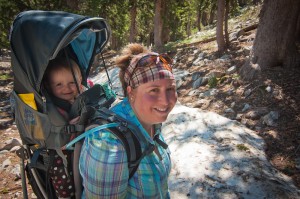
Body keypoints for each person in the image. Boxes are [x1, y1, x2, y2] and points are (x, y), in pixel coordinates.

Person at [79, 43, 178, 198]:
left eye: (170, 89)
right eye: (154, 90)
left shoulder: (150, 120)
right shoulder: (109, 141)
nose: (165, 101)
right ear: (131, 92)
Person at [43, 56, 85, 199]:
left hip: (83, 151)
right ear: (49, 86)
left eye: (72, 82)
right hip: (61, 155)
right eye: (59, 84)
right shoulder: (50, 108)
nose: (66, 88)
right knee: (65, 187)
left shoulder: (83, 97)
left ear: (80, 81)